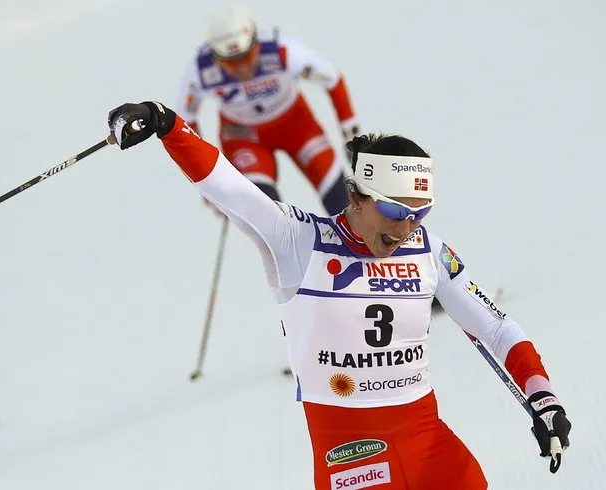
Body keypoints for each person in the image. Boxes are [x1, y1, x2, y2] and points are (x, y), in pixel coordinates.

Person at [107, 101, 572, 489]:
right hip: (352, 458)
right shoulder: (297, 241)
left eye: (420, 213)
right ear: (356, 196)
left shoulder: (430, 252)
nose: (406, 228)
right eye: (393, 210)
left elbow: (494, 326)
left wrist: (544, 398)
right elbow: (229, 186)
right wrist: (167, 123)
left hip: (428, 445)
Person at [177, 6, 359, 214]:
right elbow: (186, 120)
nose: (242, 69)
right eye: (230, 63)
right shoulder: (199, 70)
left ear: (256, 42)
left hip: (296, 126)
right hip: (244, 136)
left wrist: (350, 133)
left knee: (341, 202)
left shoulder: (283, 51)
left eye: (246, 57)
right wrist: (207, 181)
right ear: (215, 57)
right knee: (267, 214)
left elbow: (333, 79)